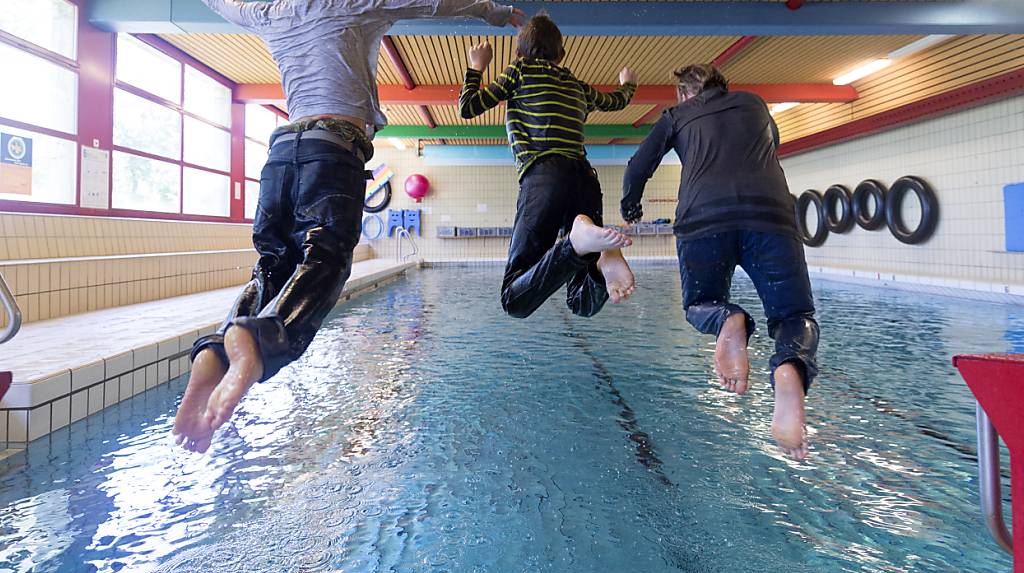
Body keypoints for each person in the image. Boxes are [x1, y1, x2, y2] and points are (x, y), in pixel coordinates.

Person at [173, 0, 525, 453]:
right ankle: (259, 339)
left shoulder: (266, 11)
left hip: (280, 155)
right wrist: (493, 13)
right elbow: (434, 3)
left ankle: (218, 351)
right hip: (332, 150)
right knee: (327, 257)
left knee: (272, 266)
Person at [621, 64, 819, 460]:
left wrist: (631, 207)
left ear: (683, 94)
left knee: (700, 304)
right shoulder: (755, 104)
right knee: (795, 316)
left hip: (703, 218)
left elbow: (637, 166)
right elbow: (771, 145)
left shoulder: (676, 115)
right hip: (771, 216)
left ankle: (728, 319)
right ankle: (788, 370)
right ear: (722, 86)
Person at [458, 14, 638, 320]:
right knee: (581, 304)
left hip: (545, 177)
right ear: (561, 55)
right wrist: (629, 85)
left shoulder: (519, 70)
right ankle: (598, 263)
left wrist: (478, 66)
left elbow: (468, 106)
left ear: (518, 53)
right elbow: (616, 101)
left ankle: (577, 244)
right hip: (585, 181)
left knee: (514, 300)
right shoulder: (577, 86)